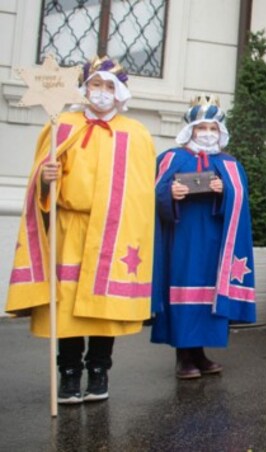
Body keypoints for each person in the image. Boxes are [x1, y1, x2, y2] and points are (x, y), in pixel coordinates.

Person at [5, 56, 156, 404]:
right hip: (69, 228)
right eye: (95, 85)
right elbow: (38, 184)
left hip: (114, 231)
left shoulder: (136, 134)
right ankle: (69, 373)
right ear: (85, 87)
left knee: (103, 309)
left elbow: (140, 191)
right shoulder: (62, 126)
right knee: (68, 308)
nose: (101, 93)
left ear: (119, 92)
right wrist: (46, 180)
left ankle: (99, 369)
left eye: (108, 86)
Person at [150, 96, 256, 379]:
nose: (207, 134)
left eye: (212, 128)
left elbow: (241, 202)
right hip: (182, 237)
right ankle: (183, 355)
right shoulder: (172, 158)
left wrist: (225, 192)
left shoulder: (230, 163)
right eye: (201, 128)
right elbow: (150, 194)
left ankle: (200, 353)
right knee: (184, 290)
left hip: (215, 240)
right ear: (191, 130)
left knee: (209, 295)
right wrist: (169, 195)